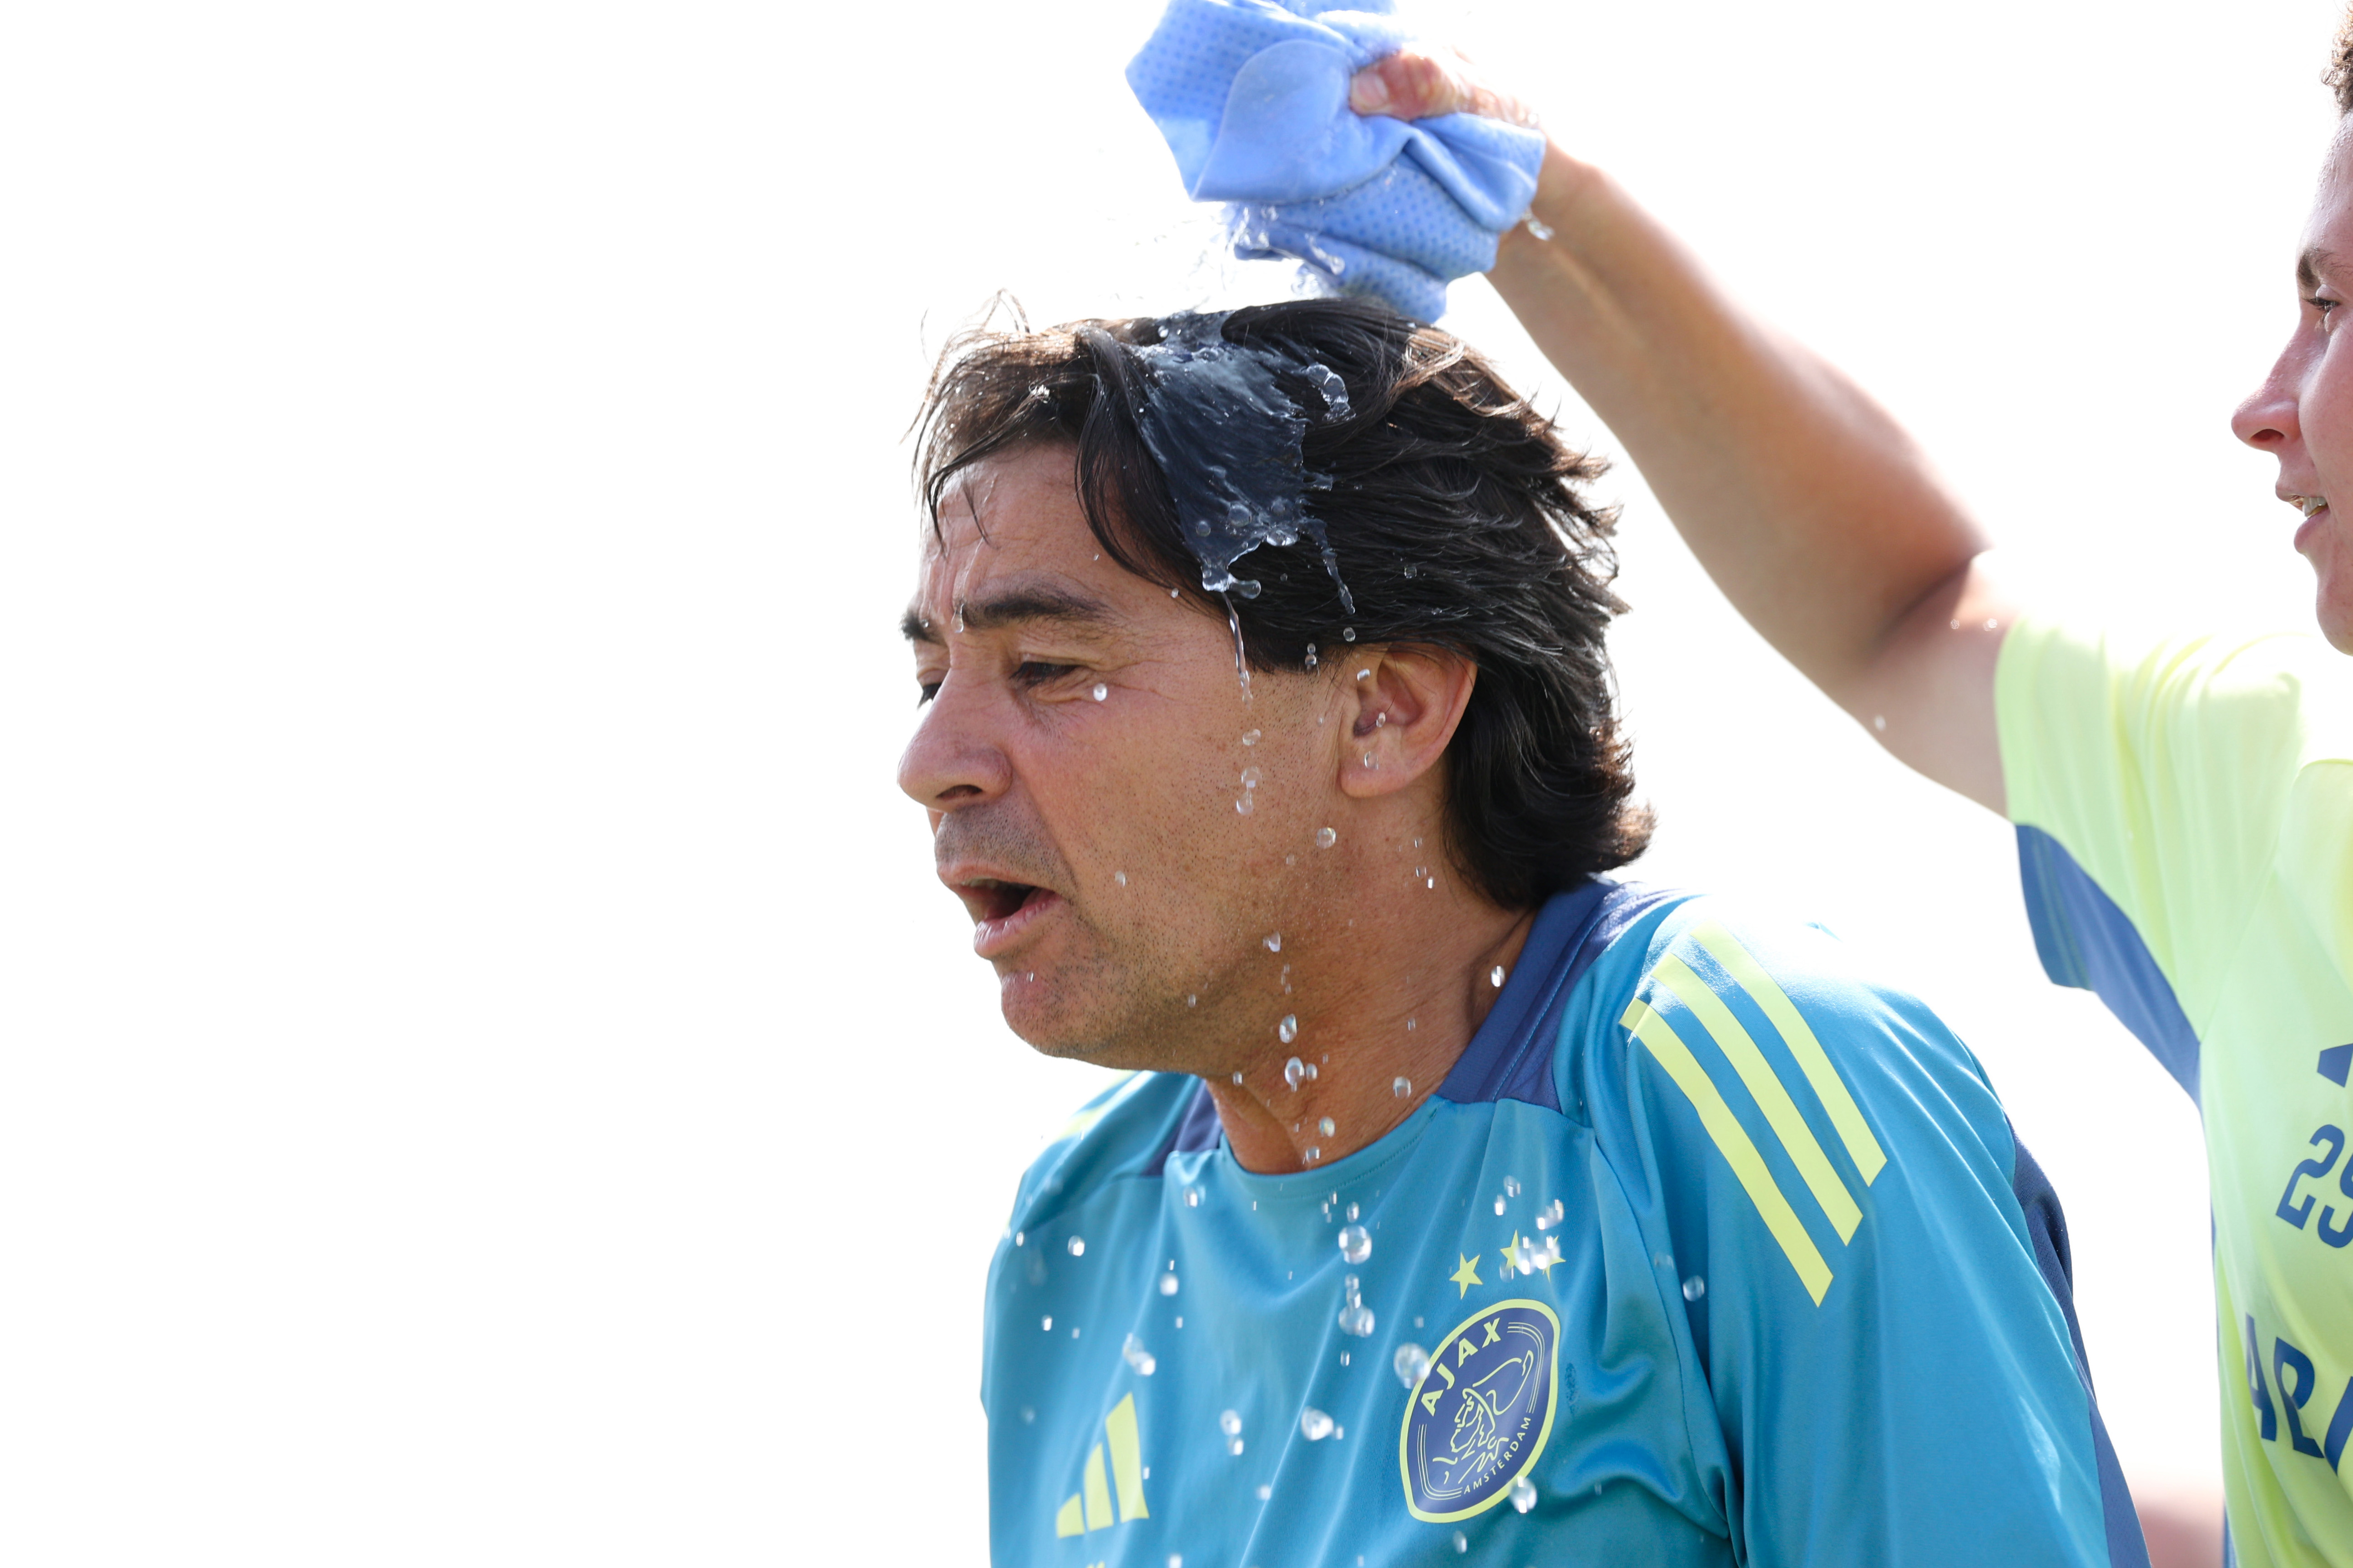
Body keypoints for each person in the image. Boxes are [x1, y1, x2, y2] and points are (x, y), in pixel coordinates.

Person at [1300, 19, 2353, 1568]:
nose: (2264, 403)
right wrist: (1537, 200)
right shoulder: (2274, 786)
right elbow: (1902, 603)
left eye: (2334, 312)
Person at [899, 299, 2148, 1565]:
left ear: (1381, 710)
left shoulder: (1743, 1071)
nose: (928, 761)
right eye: (928, 678)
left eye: (1046, 667)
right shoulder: (1075, 1229)